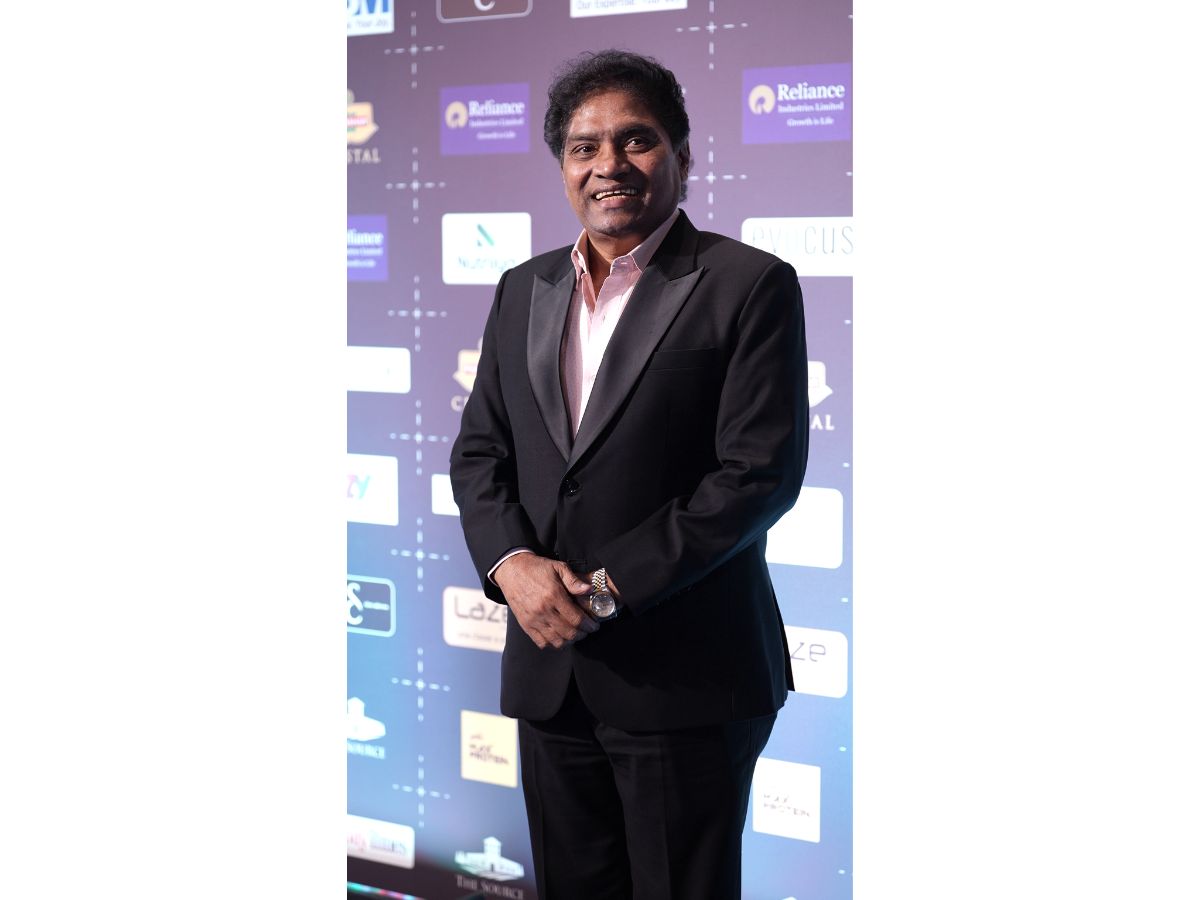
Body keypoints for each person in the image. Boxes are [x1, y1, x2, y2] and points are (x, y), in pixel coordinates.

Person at [449, 49, 808, 899]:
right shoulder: (522, 287)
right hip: (550, 677)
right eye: (585, 147)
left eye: (636, 140)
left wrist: (603, 592)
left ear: (682, 155)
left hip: (686, 679)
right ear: (563, 168)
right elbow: (480, 453)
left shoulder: (748, 284)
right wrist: (513, 567)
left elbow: (756, 476)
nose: (608, 164)